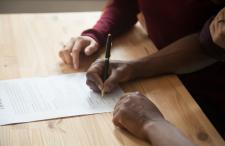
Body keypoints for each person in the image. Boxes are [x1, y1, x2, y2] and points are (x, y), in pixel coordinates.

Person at [59, 0, 225, 140]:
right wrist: (95, 34)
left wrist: (150, 123)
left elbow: (207, 46)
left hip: (208, 103)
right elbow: (127, 3)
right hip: (163, 82)